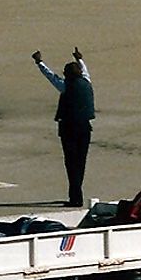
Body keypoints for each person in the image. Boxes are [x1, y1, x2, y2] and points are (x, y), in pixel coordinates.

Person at [32, 47, 95, 206]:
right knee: (81, 162)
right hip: (85, 128)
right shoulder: (86, 81)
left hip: (69, 128)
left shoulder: (66, 86)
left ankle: (75, 197)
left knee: (71, 162)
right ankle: (76, 193)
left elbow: (50, 76)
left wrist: (39, 62)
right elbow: (85, 70)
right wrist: (80, 58)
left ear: (68, 75)